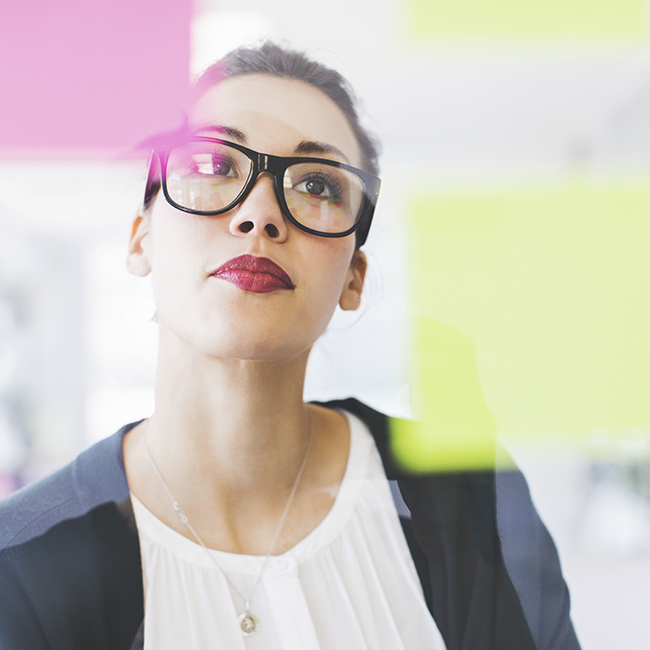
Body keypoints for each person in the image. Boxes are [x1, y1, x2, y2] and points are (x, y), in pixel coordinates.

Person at [0, 42, 581, 650]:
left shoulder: (472, 501)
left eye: (315, 185)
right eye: (213, 166)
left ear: (352, 277)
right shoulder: (23, 564)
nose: (260, 215)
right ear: (142, 238)